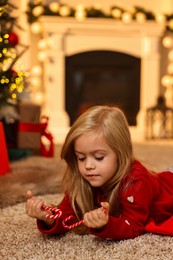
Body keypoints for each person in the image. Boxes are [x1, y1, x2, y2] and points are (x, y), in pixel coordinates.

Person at [26, 105, 173, 240]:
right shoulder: (82, 179)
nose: (88, 165)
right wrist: (48, 218)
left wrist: (106, 225)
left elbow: (133, 226)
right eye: (81, 158)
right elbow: (66, 215)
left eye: (99, 157)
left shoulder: (137, 182)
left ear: (121, 154)